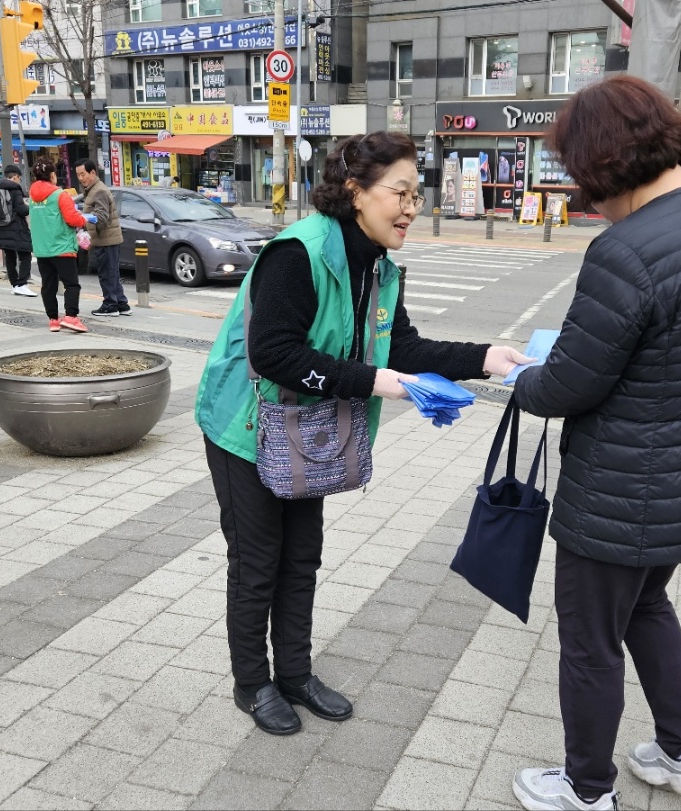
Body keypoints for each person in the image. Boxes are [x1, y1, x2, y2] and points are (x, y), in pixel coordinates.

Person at [195, 131, 530, 736]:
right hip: (246, 427)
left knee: (302, 557)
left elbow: (402, 345)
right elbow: (272, 353)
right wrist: (380, 383)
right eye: (399, 192)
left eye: (415, 195)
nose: (411, 207)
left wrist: (488, 357)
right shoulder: (297, 254)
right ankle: (252, 683)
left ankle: (294, 674)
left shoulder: (376, 263)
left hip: (305, 426)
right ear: (354, 190)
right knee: (257, 562)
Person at [509, 75, 681, 811]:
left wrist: (525, 379)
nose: (586, 195)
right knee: (649, 606)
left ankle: (587, 791)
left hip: (624, 488)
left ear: (606, 163)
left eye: (583, 175)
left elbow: (568, 387)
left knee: (591, 639)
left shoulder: (626, 252)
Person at [28, 157, 95, 333]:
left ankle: (53, 320)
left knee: (48, 285)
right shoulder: (60, 195)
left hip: (42, 249)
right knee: (71, 284)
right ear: (52, 175)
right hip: (62, 247)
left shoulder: (33, 196)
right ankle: (71, 317)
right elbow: (72, 219)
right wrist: (83, 219)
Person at [75, 159, 129, 316]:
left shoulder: (98, 191)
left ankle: (110, 305)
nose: (80, 178)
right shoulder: (93, 189)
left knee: (107, 273)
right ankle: (121, 303)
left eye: (83, 174)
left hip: (106, 239)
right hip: (106, 239)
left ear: (92, 172)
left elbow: (102, 217)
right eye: (78, 175)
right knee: (112, 272)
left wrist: (83, 217)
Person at [0, 164, 36, 297]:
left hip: (1, 227)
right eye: (19, 178)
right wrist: (31, 205)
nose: (19, 181)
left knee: (10, 256)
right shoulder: (14, 189)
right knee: (25, 255)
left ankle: (14, 284)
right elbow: (21, 209)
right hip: (16, 228)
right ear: (14, 177)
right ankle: (22, 284)